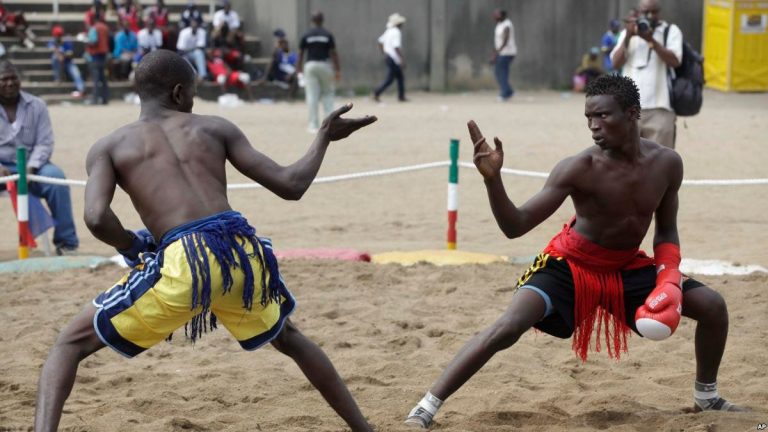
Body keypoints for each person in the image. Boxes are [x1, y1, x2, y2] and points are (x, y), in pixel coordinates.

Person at [33, 49, 378, 432]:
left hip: (186, 261)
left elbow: (96, 218)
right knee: (290, 338)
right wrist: (324, 138)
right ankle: (364, 429)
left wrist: (132, 246)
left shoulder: (109, 146)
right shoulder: (215, 127)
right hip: (241, 249)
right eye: (194, 93)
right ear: (180, 93)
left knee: (68, 345)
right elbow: (291, 185)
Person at [404, 74, 744, 429]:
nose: (593, 127)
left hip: (625, 267)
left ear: (632, 113)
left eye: (603, 116)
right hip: (569, 264)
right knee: (509, 326)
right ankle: (426, 407)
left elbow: (667, 229)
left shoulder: (668, 163)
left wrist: (668, 276)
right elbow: (514, 226)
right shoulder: (579, 168)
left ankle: (707, 397)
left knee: (713, 307)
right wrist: (493, 180)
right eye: (588, 118)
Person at [0, 60, 79, 255]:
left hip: (32, 165)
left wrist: (31, 167)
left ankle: (66, 243)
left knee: (57, 180)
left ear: (20, 80)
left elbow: (45, 142)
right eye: (4, 79)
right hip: (2, 168)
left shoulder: (37, 105)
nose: (9, 83)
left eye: (13, 78)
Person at [610, 0, 682, 149]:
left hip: (660, 109)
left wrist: (651, 41)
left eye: (654, 11)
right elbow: (615, 63)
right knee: (625, 161)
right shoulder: (628, 32)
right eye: (645, 11)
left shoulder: (670, 30)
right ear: (638, 12)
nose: (650, 15)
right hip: (629, 108)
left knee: (660, 162)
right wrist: (629, 37)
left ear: (659, 12)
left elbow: (675, 61)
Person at [297, 11, 340, 133]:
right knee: (328, 94)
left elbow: (300, 54)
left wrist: (298, 70)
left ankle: (313, 125)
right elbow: (333, 53)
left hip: (310, 66)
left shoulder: (306, 35)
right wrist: (338, 69)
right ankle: (331, 124)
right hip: (325, 65)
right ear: (322, 20)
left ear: (312, 20)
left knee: (312, 96)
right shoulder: (327, 34)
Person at [373, 13, 406, 103]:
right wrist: (402, 59)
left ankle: (401, 96)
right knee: (390, 79)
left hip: (388, 56)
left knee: (400, 77)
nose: (402, 24)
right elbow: (396, 47)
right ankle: (377, 92)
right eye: (401, 23)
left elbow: (380, 41)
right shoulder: (396, 32)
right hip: (393, 58)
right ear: (398, 24)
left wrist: (384, 53)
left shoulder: (389, 31)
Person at [48, 25, 85, 98]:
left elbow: (70, 53)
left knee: (76, 73)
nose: (58, 37)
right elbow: (51, 49)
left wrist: (63, 55)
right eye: (57, 35)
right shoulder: (52, 41)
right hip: (58, 63)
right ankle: (58, 78)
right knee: (55, 58)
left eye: (60, 35)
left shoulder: (67, 40)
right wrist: (59, 54)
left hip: (68, 62)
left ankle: (81, 90)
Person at [260, 28, 298, 98]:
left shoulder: (292, 55)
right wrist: (277, 47)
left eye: (284, 44)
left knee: (295, 78)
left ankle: (290, 97)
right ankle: (264, 78)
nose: (283, 45)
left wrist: (291, 75)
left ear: (287, 45)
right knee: (273, 61)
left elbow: (297, 67)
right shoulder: (279, 54)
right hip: (279, 74)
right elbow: (273, 58)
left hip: (289, 75)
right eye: (281, 44)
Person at [85, 10, 110, 105]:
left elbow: (94, 41)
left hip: (95, 56)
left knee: (95, 79)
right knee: (103, 79)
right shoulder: (105, 28)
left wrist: (87, 42)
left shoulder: (94, 28)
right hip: (103, 56)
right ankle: (105, 99)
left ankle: (94, 99)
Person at [491, 9, 516, 101]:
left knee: (502, 72)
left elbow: (506, 40)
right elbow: (498, 40)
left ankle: (505, 94)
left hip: (507, 52)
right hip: (501, 52)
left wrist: (497, 51)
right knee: (498, 72)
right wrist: (495, 51)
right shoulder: (499, 24)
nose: (495, 16)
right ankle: (508, 91)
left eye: (497, 15)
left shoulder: (507, 25)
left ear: (503, 16)